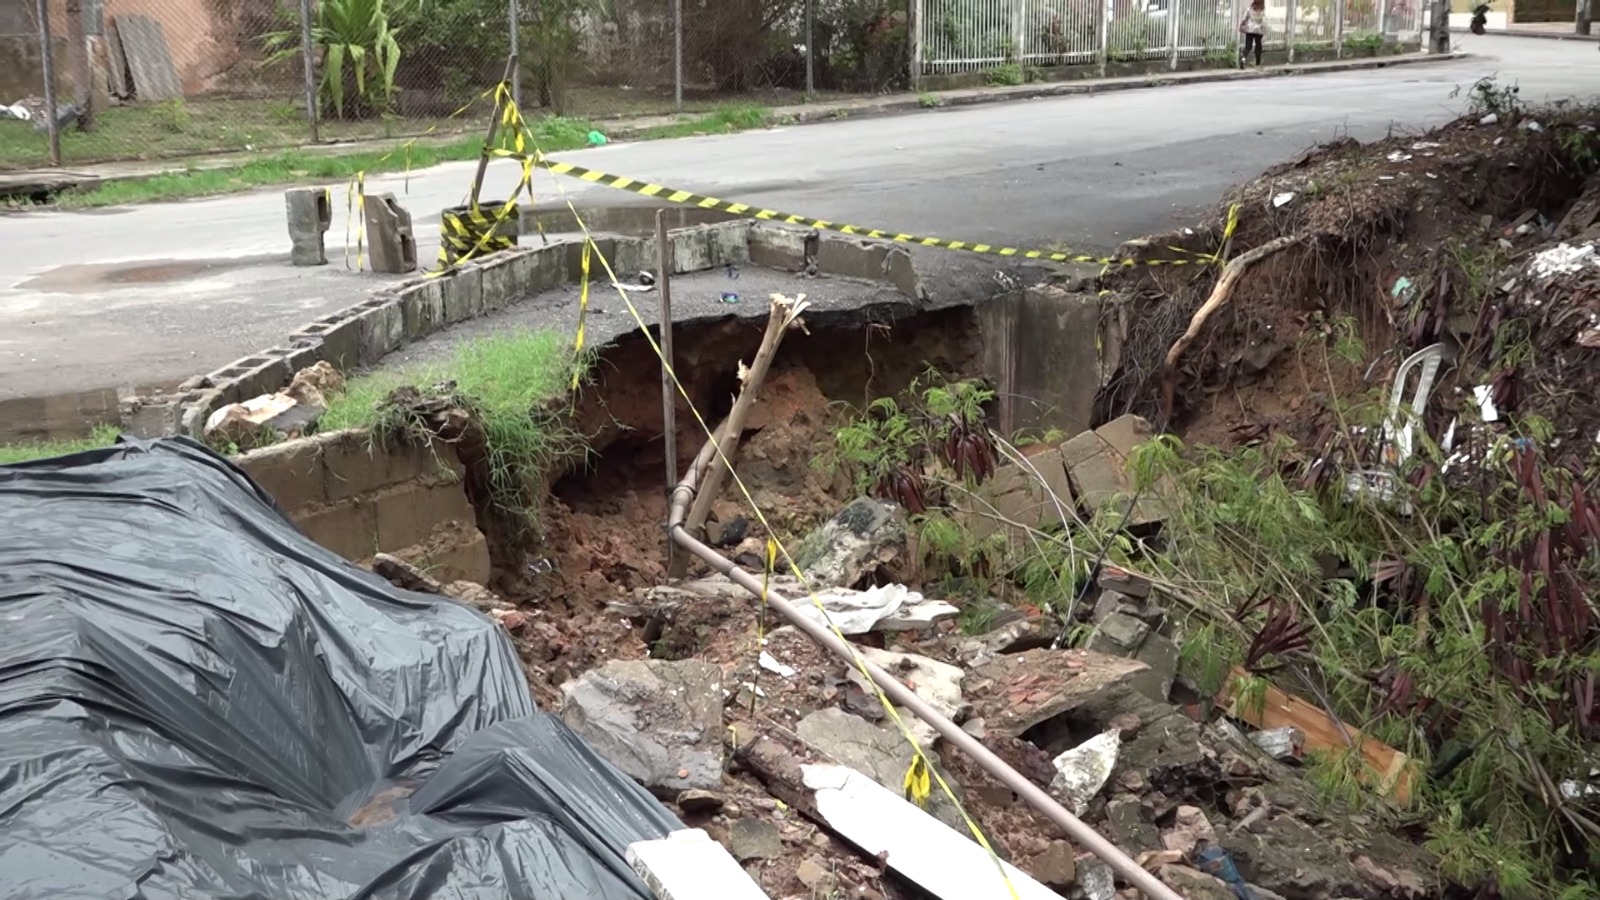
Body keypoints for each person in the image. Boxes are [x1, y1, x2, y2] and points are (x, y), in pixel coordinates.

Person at [1239, 0, 1266, 68]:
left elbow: (1244, 18)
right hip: (1258, 30)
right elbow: (1264, 21)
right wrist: (1264, 30)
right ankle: (1257, 63)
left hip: (1249, 29)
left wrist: (1242, 24)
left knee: (1248, 46)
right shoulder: (1262, 10)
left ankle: (1243, 59)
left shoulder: (1250, 9)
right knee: (1258, 46)